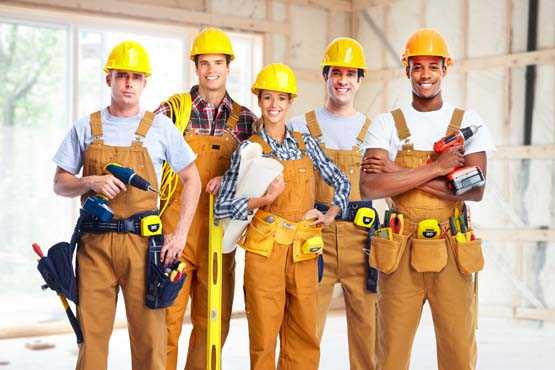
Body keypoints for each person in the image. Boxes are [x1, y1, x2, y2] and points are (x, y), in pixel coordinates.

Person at [52, 40, 201, 370]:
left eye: (136, 76)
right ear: (109, 80)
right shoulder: (86, 127)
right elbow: (59, 183)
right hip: (94, 247)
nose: (129, 83)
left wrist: (179, 236)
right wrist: (89, 182)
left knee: (150, 342)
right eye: (121, 76)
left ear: (145, 82)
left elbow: (193, 179)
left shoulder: (159, 128)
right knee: (91, 341)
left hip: (143, 246)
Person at [359, 28, 495, 370]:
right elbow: (371, 187)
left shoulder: (469, 123)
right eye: (417, 67)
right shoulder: (385, 124)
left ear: (445, 69)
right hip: (400, 247)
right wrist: (438, 168)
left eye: (432, 67)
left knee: (458, 353)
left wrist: (396, 172)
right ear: (406, 70)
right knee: (390, 352)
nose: (425, 75)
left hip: (453, 247)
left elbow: (474, 190)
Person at [216, 63, 350, 370]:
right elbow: (222, 207)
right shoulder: (250, 149)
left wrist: (331, 212)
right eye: (267, 98)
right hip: (265, 251)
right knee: (264, 335)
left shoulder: (306, 144)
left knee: (304, 334)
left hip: (303, 248)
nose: (274, 105)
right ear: (259, 101)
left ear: (290, 103)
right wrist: (263, 200)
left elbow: (341, 179)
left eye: (281, 98)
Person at [155, 27, 257, 370]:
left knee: (212, 324)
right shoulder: (172, 112)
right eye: (204, 63)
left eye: (218, 62)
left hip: (219, 235)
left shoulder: (245, 120)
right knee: (165, 321)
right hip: (176, 234)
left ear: (229, 66)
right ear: (195, 67)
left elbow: (254, 174)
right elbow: (149, 163)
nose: (211, 69)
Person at [289, 37, 377, 370]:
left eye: (350, 74)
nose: (342, 80)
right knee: (304, 329)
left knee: (369, 332)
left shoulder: (374, 130)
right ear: (325, 76)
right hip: (314, 237)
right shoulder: (300, 127)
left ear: (359, 80)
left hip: (363, 240)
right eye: (336, 73)